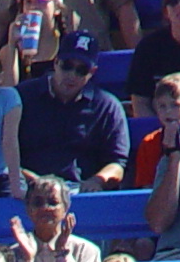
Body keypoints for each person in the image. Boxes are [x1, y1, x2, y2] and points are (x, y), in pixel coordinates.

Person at [14, 31, 129, 189]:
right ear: (55, 62)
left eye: (81, 70)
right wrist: (22, 175)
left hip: (81, 194)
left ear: (92, 72)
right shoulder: (22, 97)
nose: (72, 75)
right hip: (26, 191)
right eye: (67, 66)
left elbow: (117, 163)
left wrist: (97, 181)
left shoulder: (106, 107)